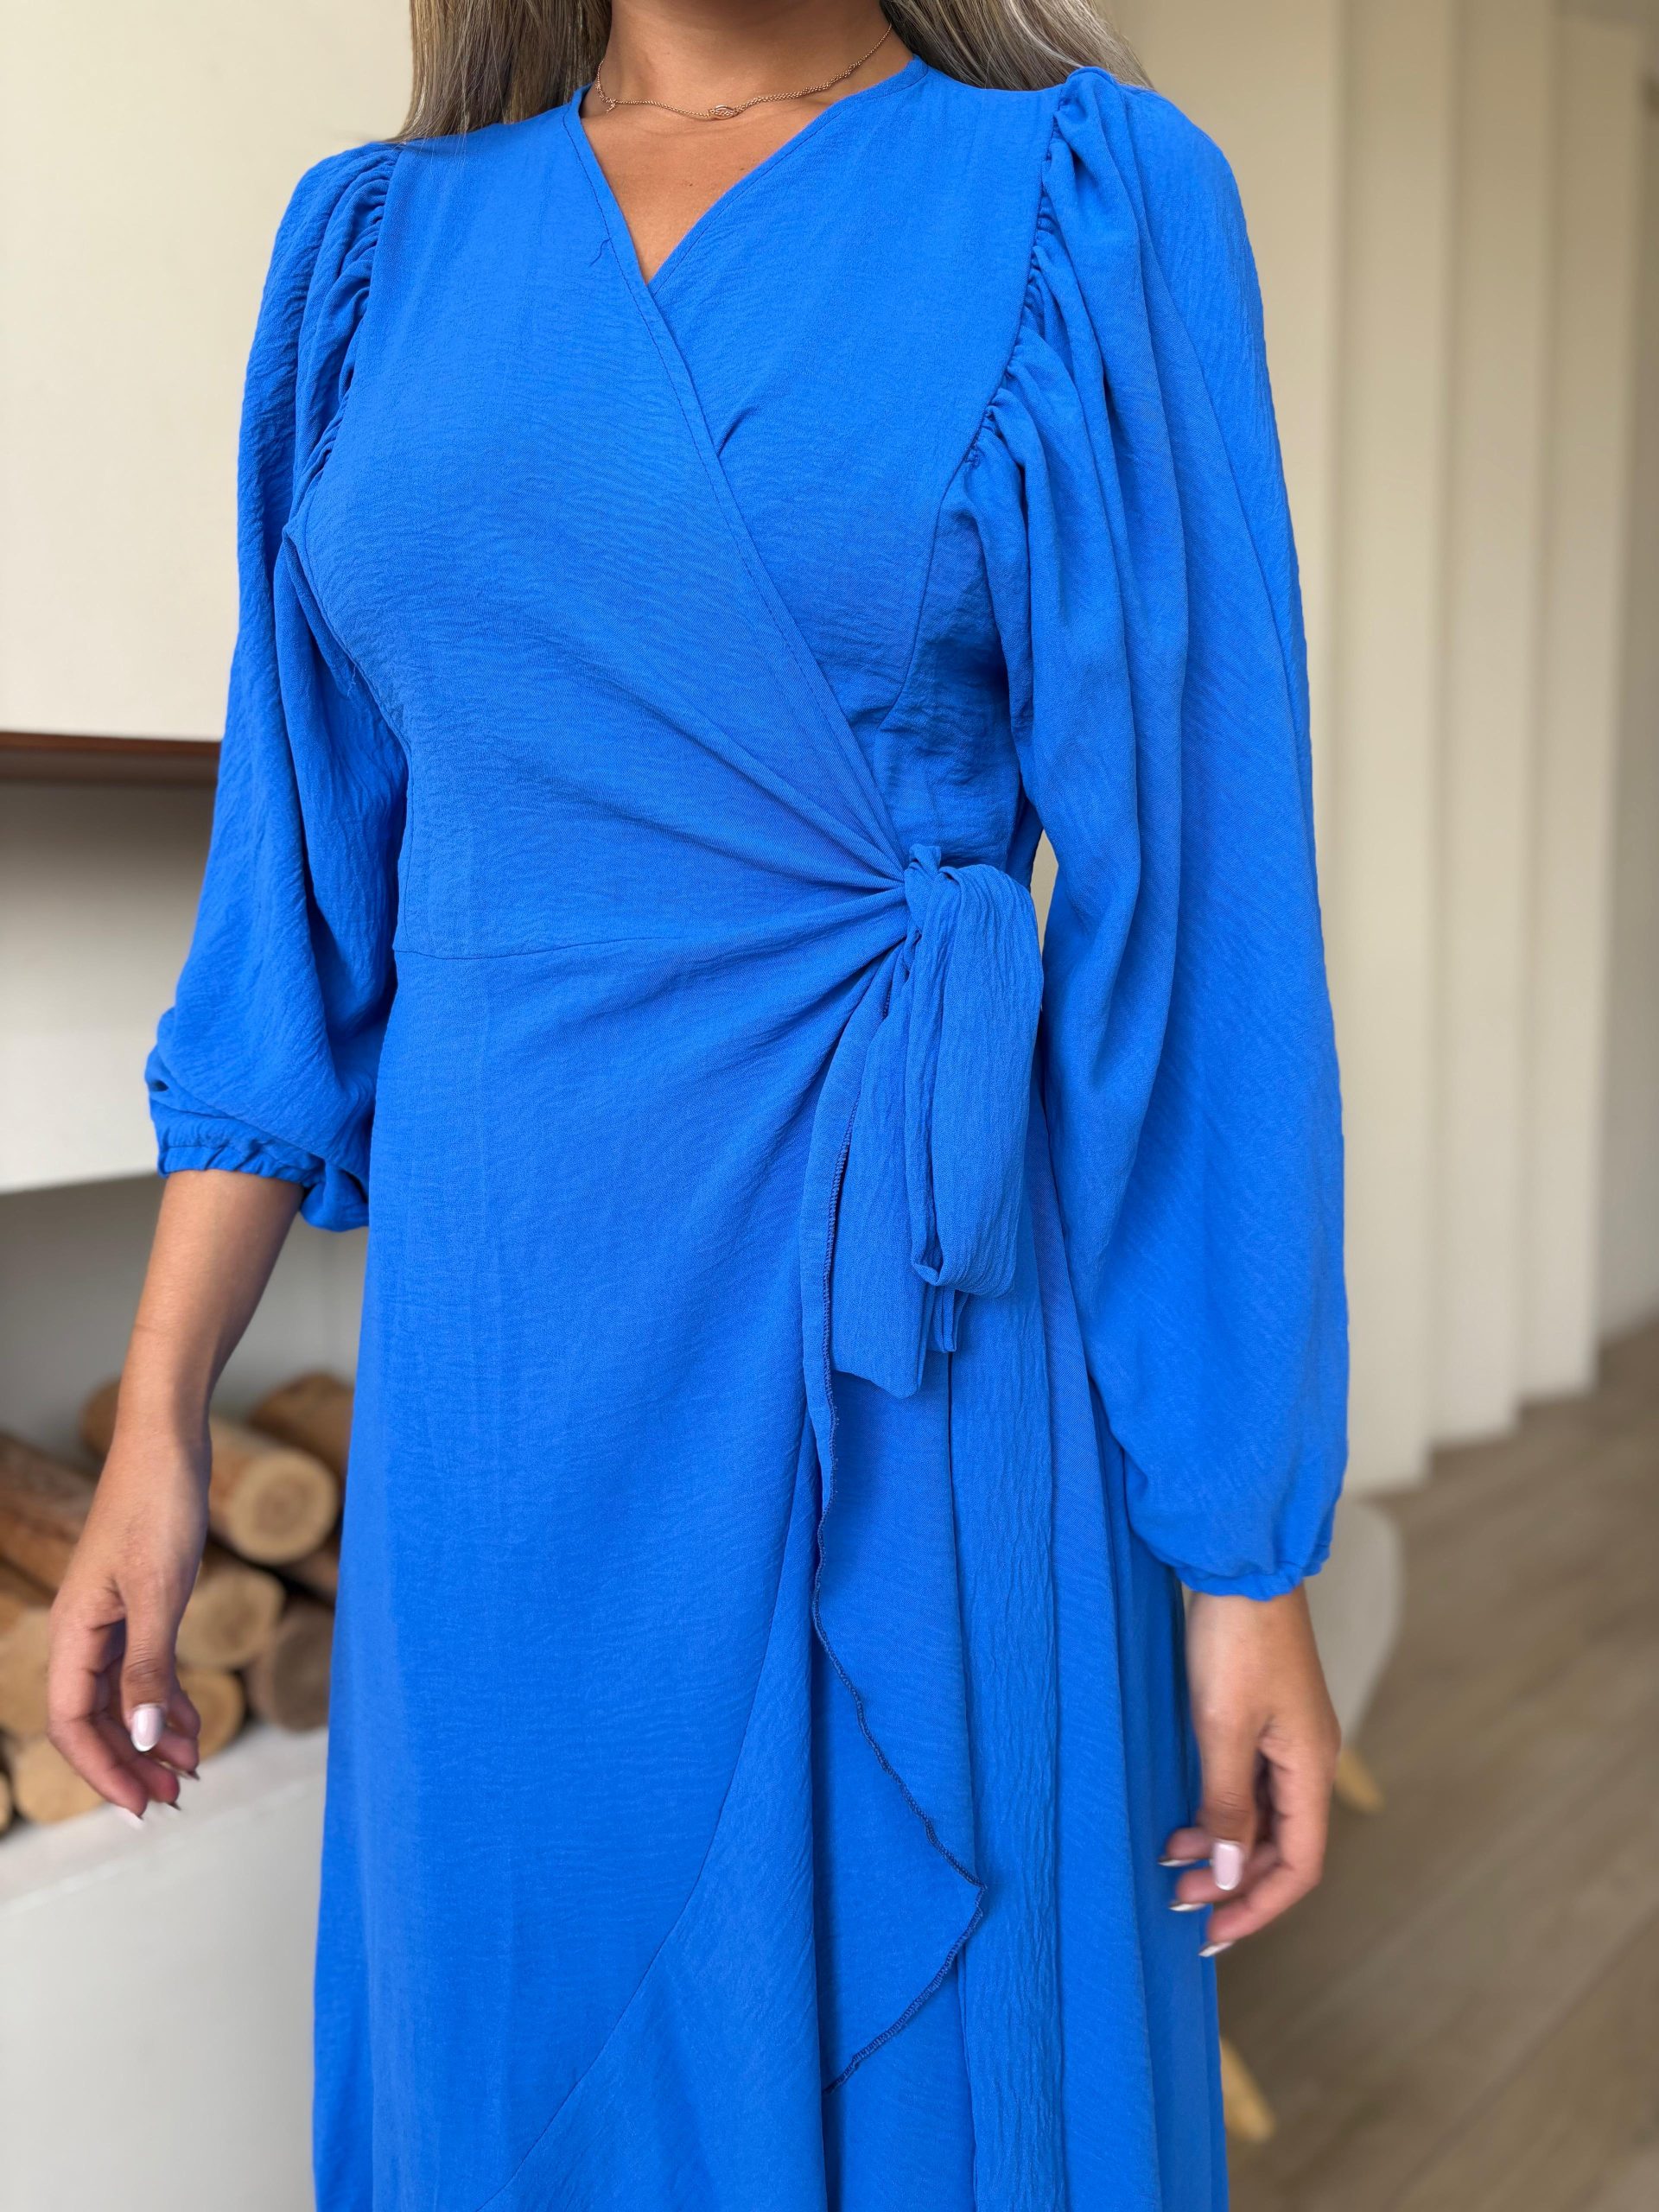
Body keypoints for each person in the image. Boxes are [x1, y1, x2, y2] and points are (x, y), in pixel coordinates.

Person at [48, 1, 1347, 2202]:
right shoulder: (370, 251)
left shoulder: (1087, 199)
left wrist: (1243, 1555)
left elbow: (1200, 922)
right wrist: (162, 1418)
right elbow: (291, 914)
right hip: (496, 1416)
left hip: (908, 1361)